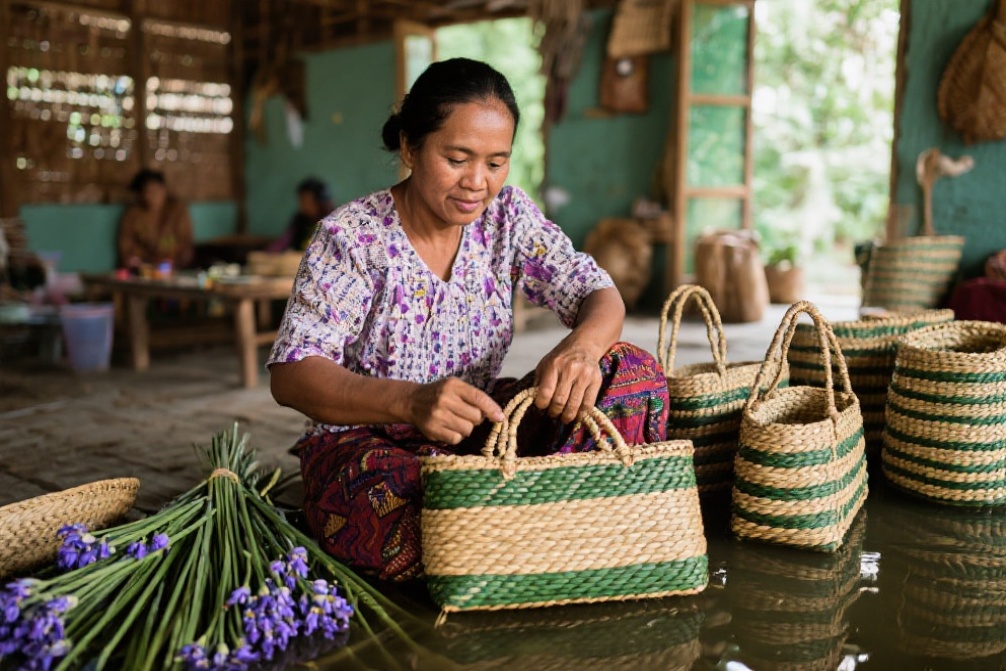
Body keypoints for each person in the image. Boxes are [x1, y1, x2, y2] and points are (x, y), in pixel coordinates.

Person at [268, 58, 669, 582]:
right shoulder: (352, 238)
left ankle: (509, 527)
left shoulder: (508, 217)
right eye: (457, 158)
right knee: (409, 510)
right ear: (410, 147)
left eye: (496, 162)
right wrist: (410, 402)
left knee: (632, 374)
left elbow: (598, 291)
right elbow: (292, 373)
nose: (477, 182)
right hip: (369, 446)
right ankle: (554, 521)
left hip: (481, 435)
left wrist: (580, 349)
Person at [117, 169, 194, 270]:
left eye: (156, 190)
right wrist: (139, 261)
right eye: (147, 192)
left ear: (164, 190)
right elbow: (126, 247)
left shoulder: (177, 211)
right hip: (143, 269)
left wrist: (173, 261)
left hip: (175, 268)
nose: (152, 196)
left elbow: (186, 244)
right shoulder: (133, 215)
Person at [267, 178, 337, 252]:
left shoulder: (333, 223)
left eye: (307, 202)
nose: (303, 207)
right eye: (301, 201)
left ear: (321, 202)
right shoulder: (300, 220)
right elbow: (283, 242)